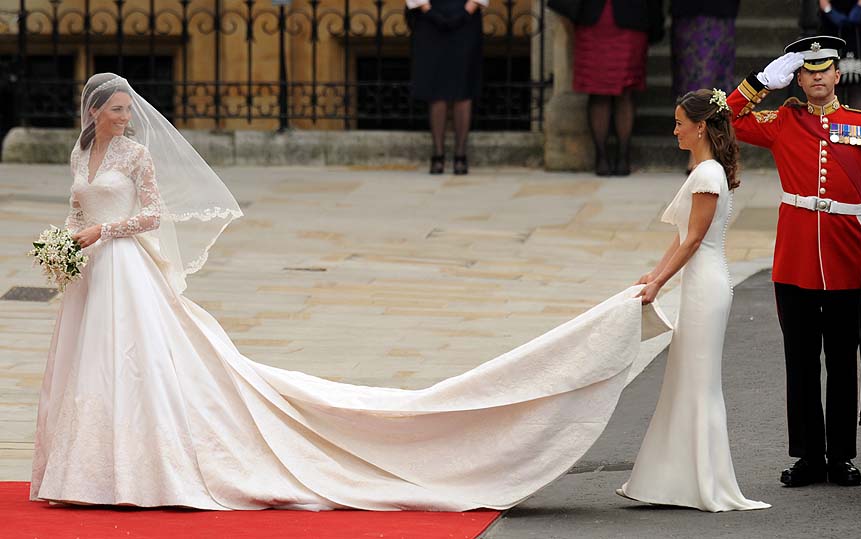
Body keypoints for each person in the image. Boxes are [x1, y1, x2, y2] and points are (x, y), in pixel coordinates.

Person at [31, 74, 676, 510]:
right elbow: (72, 206)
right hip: (92, 271)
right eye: (116, 110)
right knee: (86, 364)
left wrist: (97, 232)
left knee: (138, 361)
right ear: (94, 114)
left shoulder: (136, 157)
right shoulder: (80, 155)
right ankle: (85, 468)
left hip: (124, 265)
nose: (125, 117)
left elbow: (151, 215)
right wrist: (65, 248)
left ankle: (140, 466)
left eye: (127, 109)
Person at [725, 36, 861, 487]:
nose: (817, 76)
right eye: (808, 70)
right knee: (800, 361)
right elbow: (724, 120)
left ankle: (840, 456)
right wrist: (759, 83)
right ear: (797, 79)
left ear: (838, 75)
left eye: (825, 69)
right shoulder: (784, 121)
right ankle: (807, 457)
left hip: (844, 257)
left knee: (842, 362)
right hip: (796, 260)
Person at [615, 89, 770, 512]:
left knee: (699, 384)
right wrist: (654, 273)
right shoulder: (705, 169)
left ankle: (705, 483)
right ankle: (672, 482)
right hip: (701, 283)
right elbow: (680, 237)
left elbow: (695, 240)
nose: (675, 129)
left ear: (701, 126)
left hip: (706, 285)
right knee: (684, 381)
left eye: (681, 122)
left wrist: (659, 283)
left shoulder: (707, 175)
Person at [572, 0, 664, 176]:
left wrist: (655, 22)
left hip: (631, 18)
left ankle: (623, 156)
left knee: (626, 89)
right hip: (594, 20)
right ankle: (601, 157)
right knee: (597, 89)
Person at [407, 0, 485, 175]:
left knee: (463, 87)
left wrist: (466, 13)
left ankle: (460, 155)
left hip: (466, 20)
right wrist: (429, 11)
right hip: (429, 20)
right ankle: (438, 154)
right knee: (436, 88)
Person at [670, 0, 740, 172]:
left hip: (719, 12)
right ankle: (696, 150)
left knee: (719, 82)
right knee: (693, 80)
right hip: (689, 13)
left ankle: (721, 147)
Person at [818, 0, 861, 110]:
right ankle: (833, 121)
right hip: (831, 20)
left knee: (859, 80)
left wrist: (860, 7)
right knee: (831, 76)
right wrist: (828, 9)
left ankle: (857, 123)